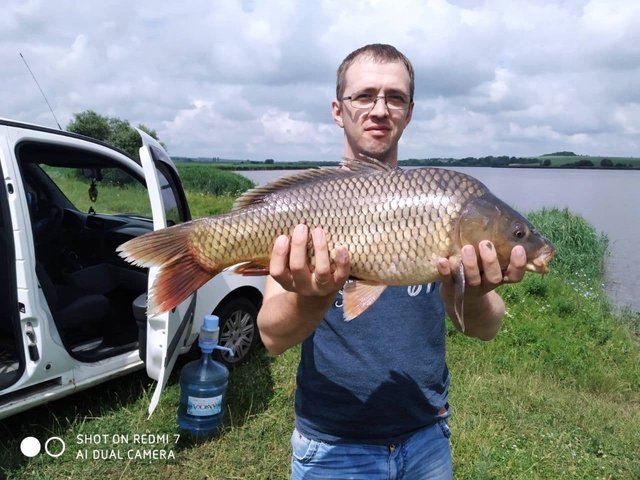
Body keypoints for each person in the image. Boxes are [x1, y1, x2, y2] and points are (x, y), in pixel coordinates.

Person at [257, 44, 527, 480]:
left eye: (395, 97)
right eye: (364, 95)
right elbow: (271, 336)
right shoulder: (308, 203)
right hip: (333, 443)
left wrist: (474, 293)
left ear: (409, 111)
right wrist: (314, 297)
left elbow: (487, 328)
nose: (380, 109)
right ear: (337, 109)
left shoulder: (446, 206)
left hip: (426, 437)